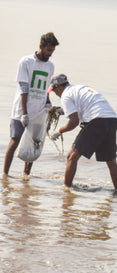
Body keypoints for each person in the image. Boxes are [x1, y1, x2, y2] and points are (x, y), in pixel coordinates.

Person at [48, 74, 117, 190]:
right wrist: (62, 111)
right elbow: (83, 106)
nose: (55, 94)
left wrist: (59, 131)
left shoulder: (65, 96)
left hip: (97, 120)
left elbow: (74, 122)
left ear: (58, 87)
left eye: (54, 91)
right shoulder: (79, 88)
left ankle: (66, 189)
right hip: (111, 119)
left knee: (71, 156)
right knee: (111, 160)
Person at [3, 32, 59, 176]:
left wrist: (47, 102)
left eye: (52, 51)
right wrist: (25, 113)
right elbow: (23, 87)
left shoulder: (50, 66)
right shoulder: (26, 62)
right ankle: (5, 174)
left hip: (39, 111)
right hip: (21, 111)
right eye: (48, 50)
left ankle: (26, 175)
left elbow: (46, 87)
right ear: (41, 46)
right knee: (15, 141)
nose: (50, 54)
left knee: (34, 143)